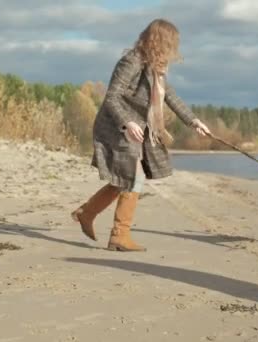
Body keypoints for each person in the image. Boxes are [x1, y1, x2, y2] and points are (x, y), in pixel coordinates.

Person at [71, 18, 210, 252]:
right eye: (171, 43)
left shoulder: (156, 67)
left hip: (135, 129)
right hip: (115, 127)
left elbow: (170, 96)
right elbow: (112, 97)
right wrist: (127, 122)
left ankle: (87, 213)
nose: (173, 49)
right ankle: (118, 235)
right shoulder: (131, 61)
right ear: (160, 41)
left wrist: (193, 121)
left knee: (127, 178)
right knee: (133, 177)